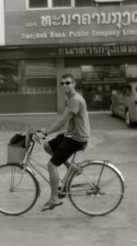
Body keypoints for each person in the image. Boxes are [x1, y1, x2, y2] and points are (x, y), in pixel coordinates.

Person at [36, 73, 90, 212]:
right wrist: (45, 131)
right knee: (47, 146)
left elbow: (62, 121)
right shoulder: (70, 98)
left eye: (68, 83)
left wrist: (45, 133)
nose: (65, 85)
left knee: (51, 165)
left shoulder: (75, 100)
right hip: (71, 135)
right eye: (62, 83)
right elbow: (64, 119)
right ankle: (70, 167)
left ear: (74, 84)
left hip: (77, 139)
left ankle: (54, 198)